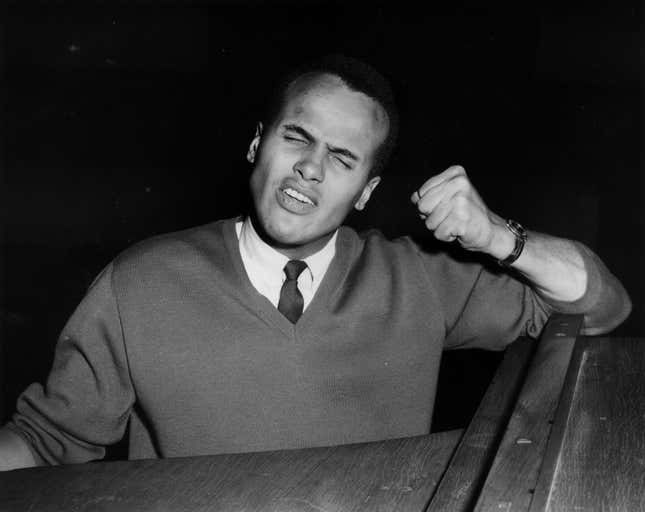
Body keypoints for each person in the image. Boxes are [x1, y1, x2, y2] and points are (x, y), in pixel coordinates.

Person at [0, 55, 631, 470]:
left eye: (343, 157)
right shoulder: (140, 280)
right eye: (296, 136)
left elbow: (601, 305)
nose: (310, 166)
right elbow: (47, 443)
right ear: (257, 142)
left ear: (364, 193)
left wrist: (497, 236)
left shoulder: (417, 281)